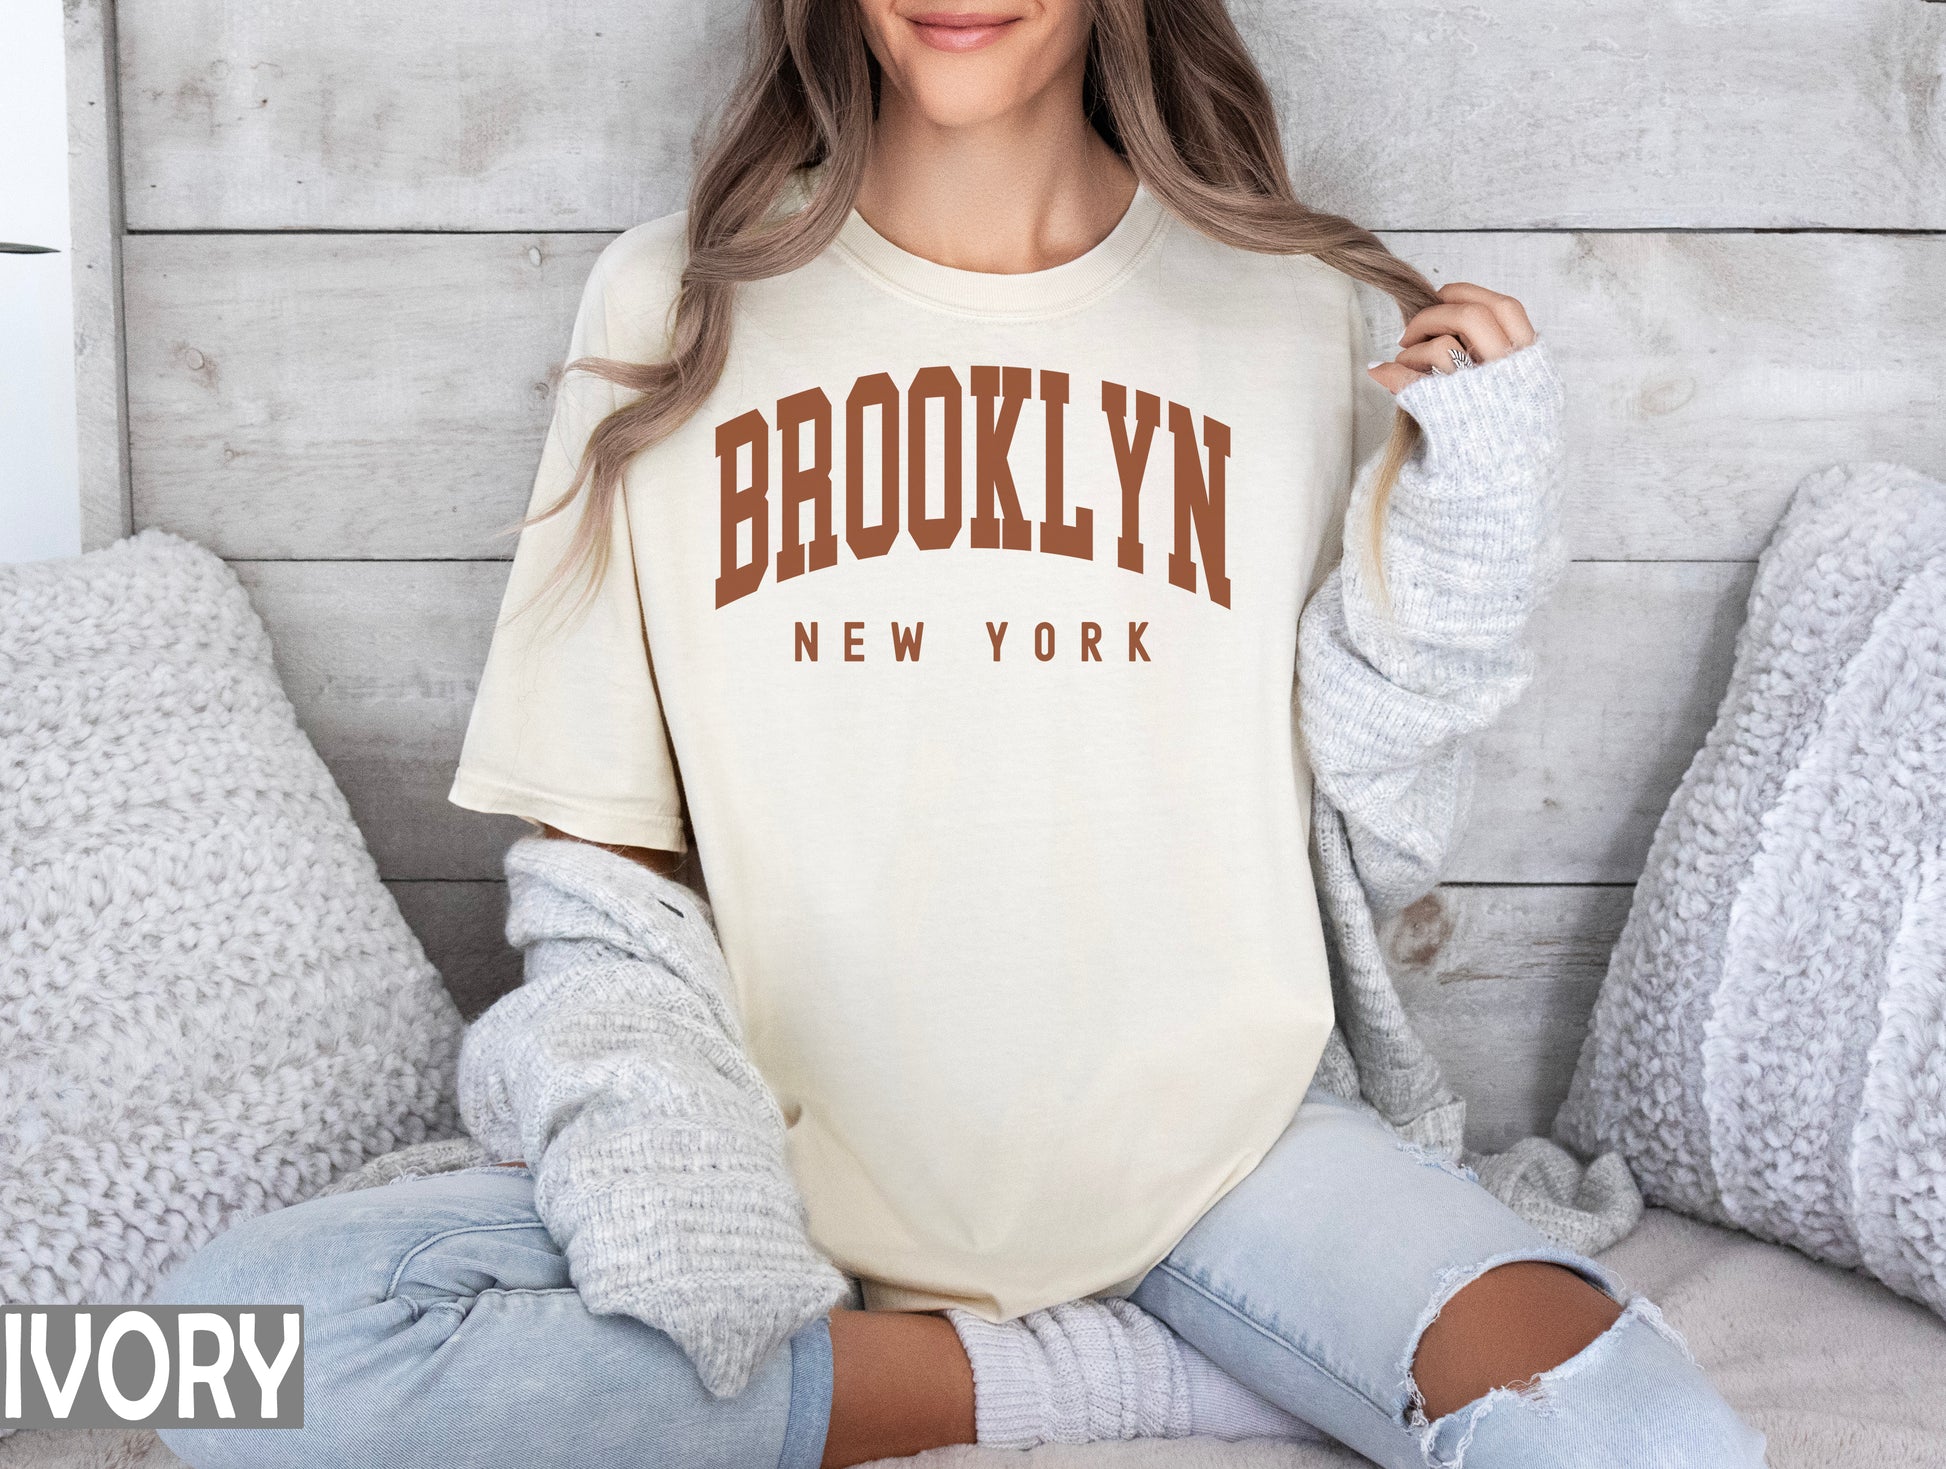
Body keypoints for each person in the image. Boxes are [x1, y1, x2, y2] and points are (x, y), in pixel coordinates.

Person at [155, 2, 1770, 1466]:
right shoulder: (673, 301)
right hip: (777, 1166)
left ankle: (1100, 1343)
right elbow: (598, 849)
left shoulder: (1303, 309)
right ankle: (1108, 1372)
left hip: (1224, 1163)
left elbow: (1375, 797)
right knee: (172, 1366)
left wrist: (1474, 549)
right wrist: (662, 1167)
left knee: (1645, 1439)